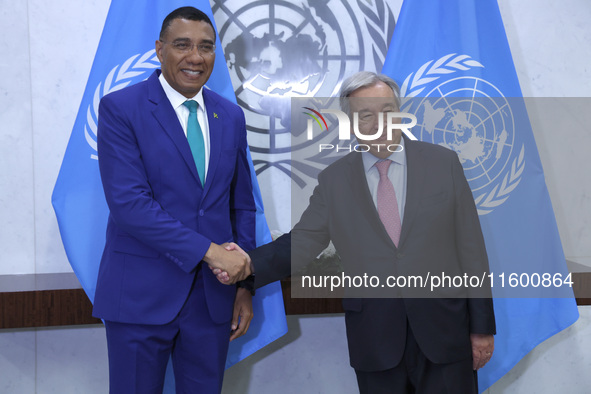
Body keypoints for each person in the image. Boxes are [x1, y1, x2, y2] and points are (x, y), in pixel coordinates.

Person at [216, 72, 496, 393]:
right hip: (376, 340)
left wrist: (481, 328)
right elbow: (302, 243)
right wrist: (247, 266)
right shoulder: (335, 181)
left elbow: (472, 249)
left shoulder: (443, 163)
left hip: (445, 335)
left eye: (388, 111)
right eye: (366, 115)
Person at [92, 6, 254, 393]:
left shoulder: (229, 116)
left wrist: (245, 285)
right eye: (182, 45)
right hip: (139, 297)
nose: (195, 57)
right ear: (159, 49)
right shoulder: (121, 109)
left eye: (206, 47)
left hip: (212, 301)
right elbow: (130, 205)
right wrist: (213, 253)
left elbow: (242, 205)